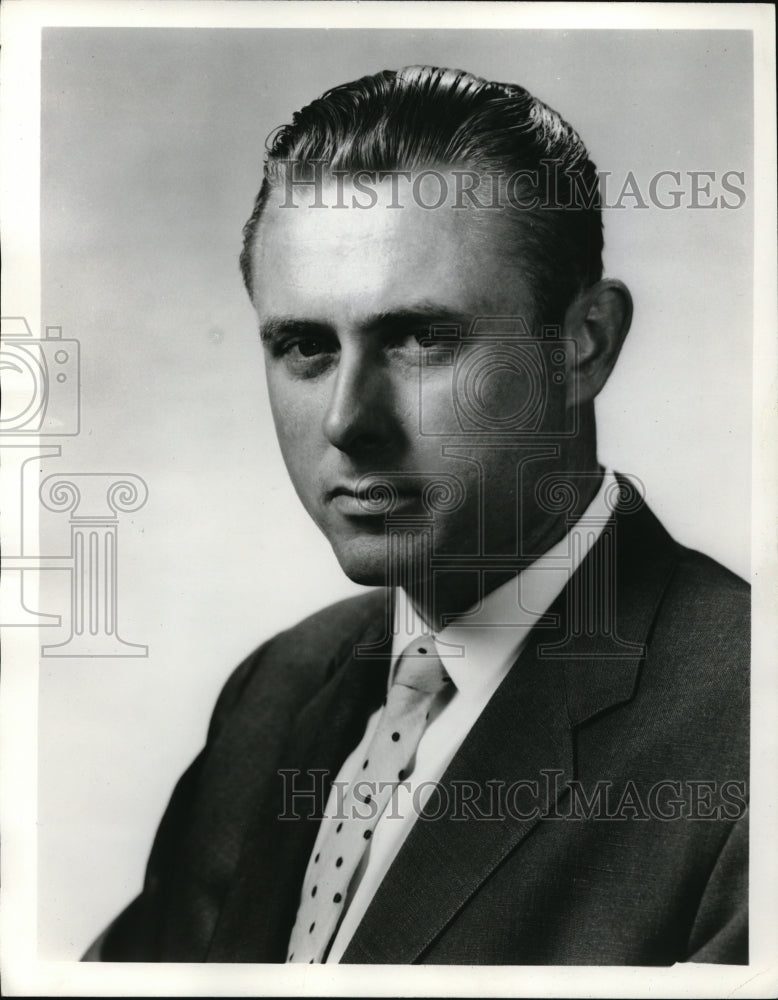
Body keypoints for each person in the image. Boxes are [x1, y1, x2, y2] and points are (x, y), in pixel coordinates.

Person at [84, 66, 748, 965]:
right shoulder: (277, 691)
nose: (347, 421)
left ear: (584, 343)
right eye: (304, 347)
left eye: (420, 339)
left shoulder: (749, 732)